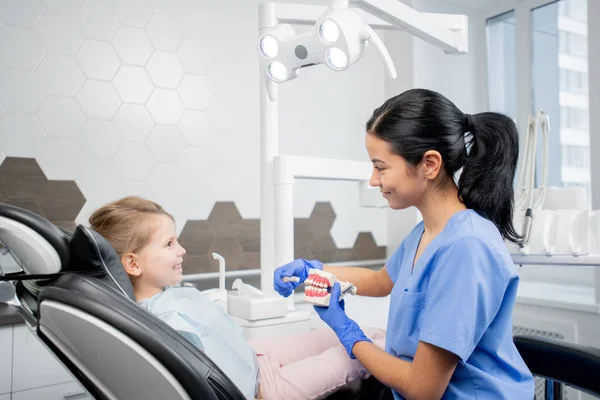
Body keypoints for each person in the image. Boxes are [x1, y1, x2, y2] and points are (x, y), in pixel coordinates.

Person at [274, 88, 535, 399]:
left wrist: (348, 331)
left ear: (429, 164)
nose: (373, 179)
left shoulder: (467, 248)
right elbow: (380, 281)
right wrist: (313, 271)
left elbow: (422, 389)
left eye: (381, 167)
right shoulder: (426, 232)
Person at [89, 196, 385, 400]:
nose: (181, 250)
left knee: (373, 336)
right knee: (361, 353)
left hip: (254, 354)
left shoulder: (169, 293)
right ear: (133, 264)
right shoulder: (162, 326)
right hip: (263, 391)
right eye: (168, 244)